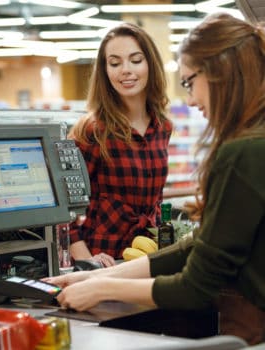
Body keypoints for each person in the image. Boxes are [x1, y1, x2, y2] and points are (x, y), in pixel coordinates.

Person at [45, 13, 265, 345]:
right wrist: (97, 273)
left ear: (220, 74)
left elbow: (195, 285)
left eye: (190, 81)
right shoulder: (254, 142)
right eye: (114, 62)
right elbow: (195, 248)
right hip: (109, 252)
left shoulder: (242, 153)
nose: (190, 100)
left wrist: (102, 286)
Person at [67, 22, 172, 267]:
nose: (125, 70)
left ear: (150, 65)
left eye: (135, 60)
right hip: (103, 260)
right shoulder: (92, 130)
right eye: (114, 63)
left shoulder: (163, 127)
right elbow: (65, 212)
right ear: (105, 71)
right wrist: (87, 262)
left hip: (146, 257)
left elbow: (154, 200)